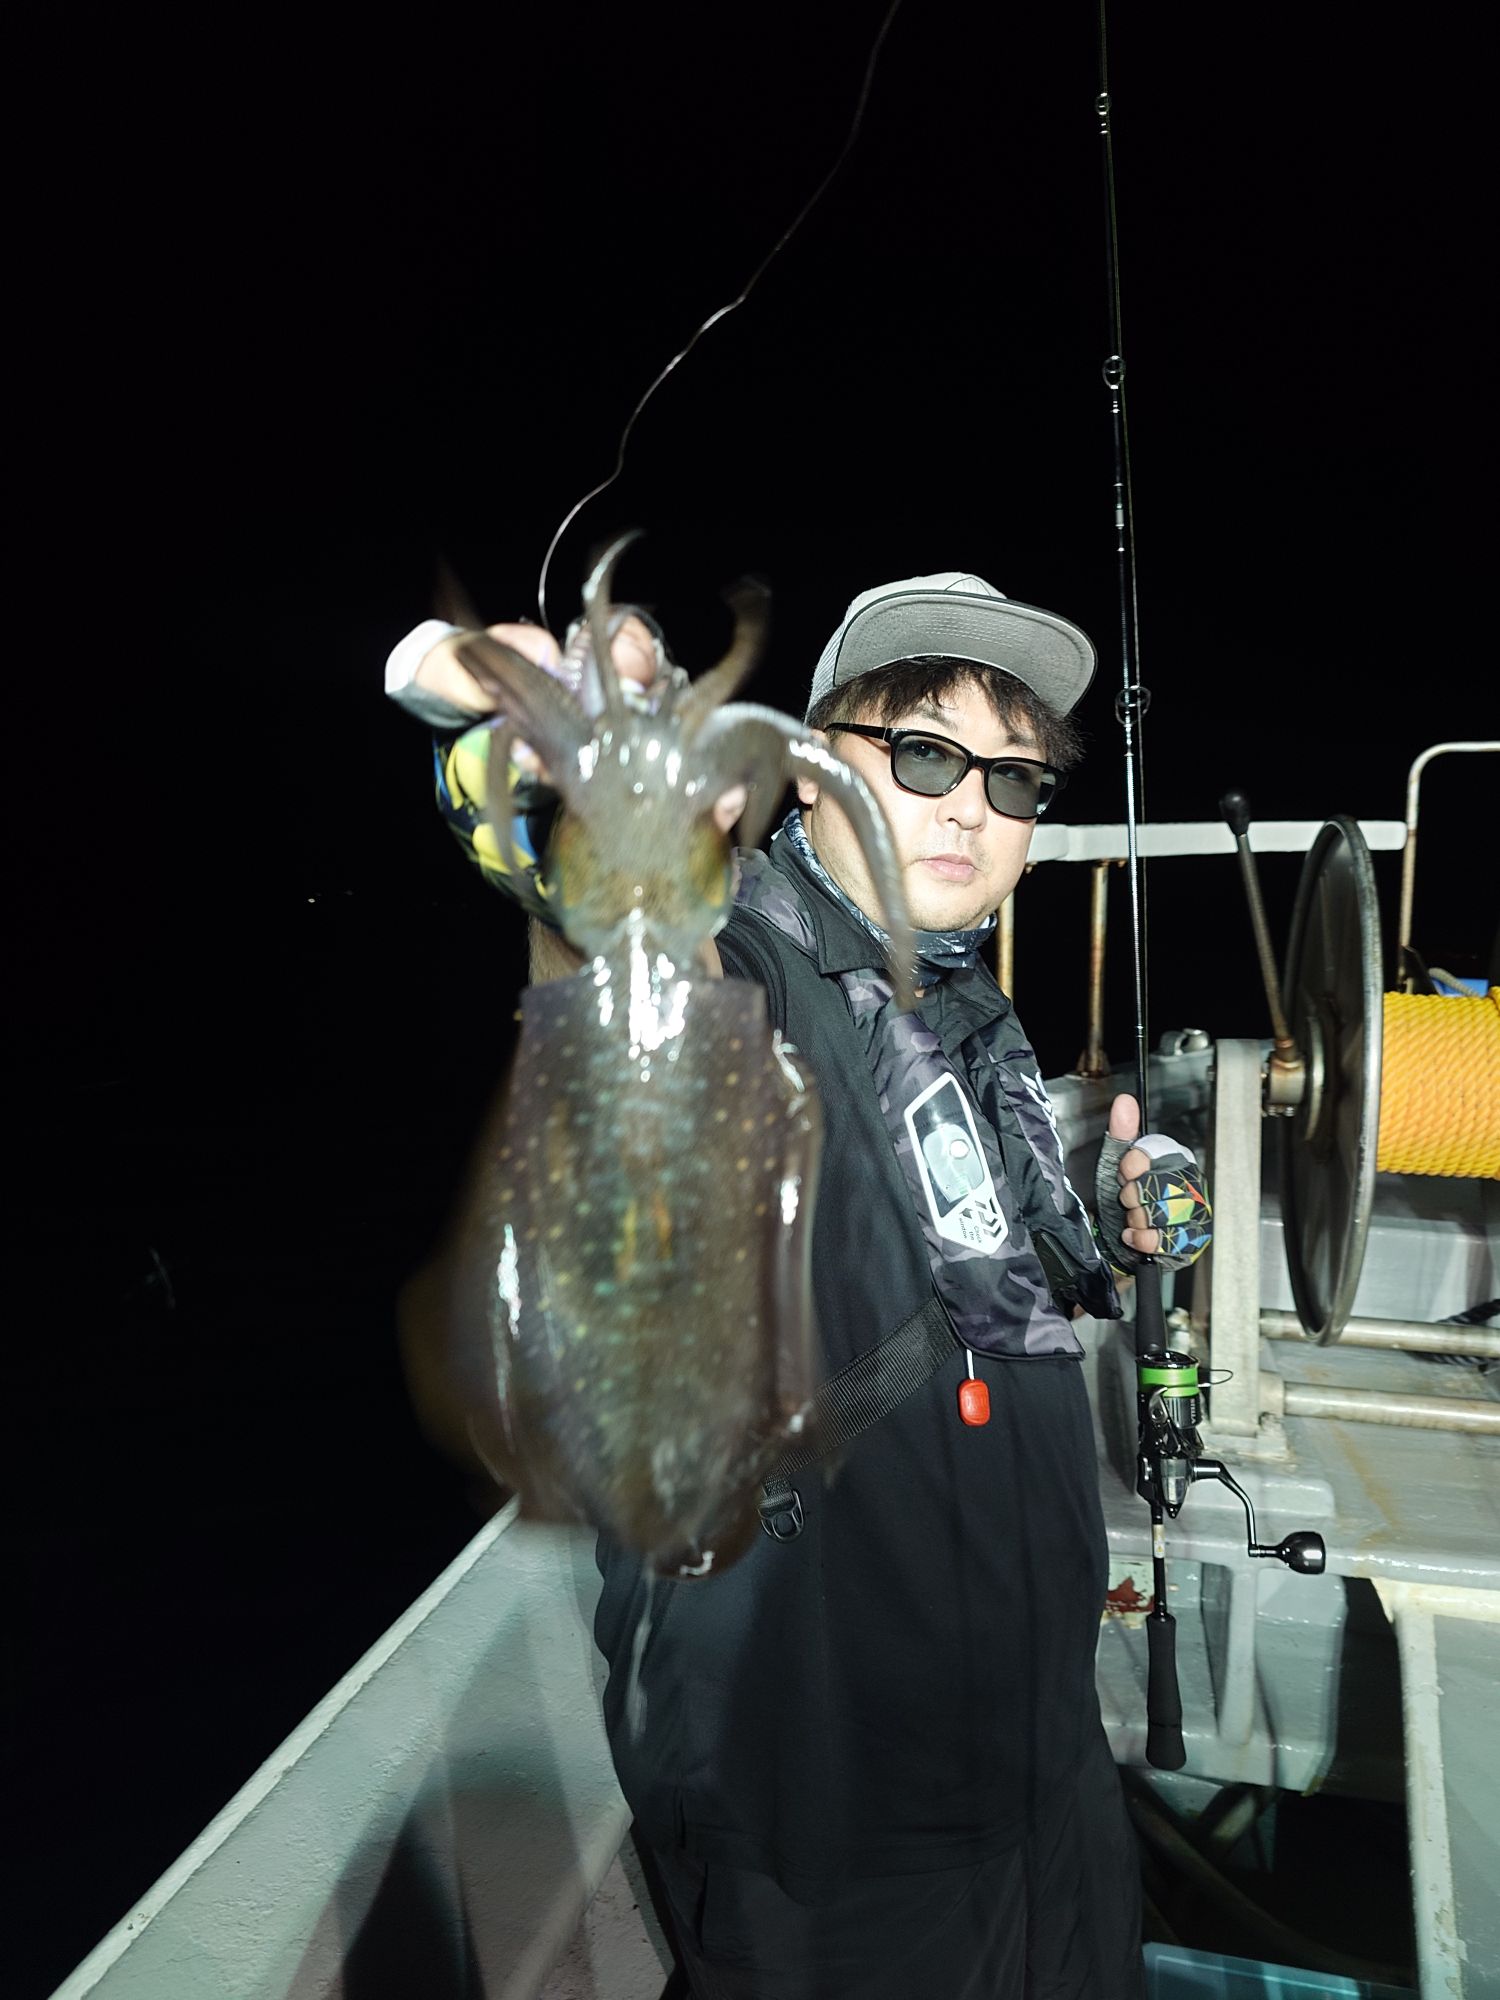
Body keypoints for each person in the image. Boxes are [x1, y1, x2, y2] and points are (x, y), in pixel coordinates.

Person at [386, 569, 1212, 1999]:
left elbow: (974, 1272)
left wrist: (1121, 1233)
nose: (971, 808)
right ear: (815, 770)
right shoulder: (745, 973)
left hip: (1042, 1762)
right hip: (834, 1817)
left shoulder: (969, 1015)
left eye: (1013, 779)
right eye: (926, 755)